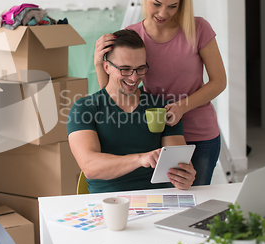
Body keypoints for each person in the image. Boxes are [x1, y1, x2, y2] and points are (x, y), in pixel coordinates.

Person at [94, 0, 227, 186]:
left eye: (172, 6)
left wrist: (182, 107)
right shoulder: (132, 35)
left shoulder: (199, 29)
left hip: (200, 135)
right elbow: (113, 93)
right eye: (156, 3)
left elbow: (219, 81)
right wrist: (99, 64)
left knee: (196, 203)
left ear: (182, 1)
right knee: (164, 206)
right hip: (154, 135)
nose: (163, 13)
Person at [67, 29, 196, 193]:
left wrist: (184, 176)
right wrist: (140, 159)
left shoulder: (163, 109)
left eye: (140, 68)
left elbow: (177, 164)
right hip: (107, 203)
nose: (134, 78)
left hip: (156, 200)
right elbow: (90, 167)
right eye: (125, 69)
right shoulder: (84, 108)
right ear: (106, 67)